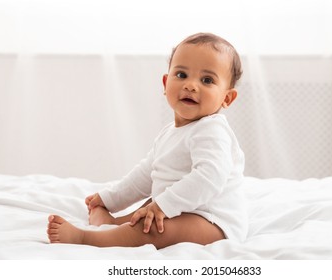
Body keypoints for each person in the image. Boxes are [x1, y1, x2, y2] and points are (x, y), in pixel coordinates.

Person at [47, 32, 247, 249]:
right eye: (181, 75)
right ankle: (114, 224)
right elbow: (146, 175)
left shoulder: (212, 130)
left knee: (154, 225)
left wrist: (163, 205)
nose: (191, 85)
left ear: (227, 98)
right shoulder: (170, 133)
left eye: (207, 80)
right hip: (181, 208)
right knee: (149, 207)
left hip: (212, 220)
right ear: (165, 82)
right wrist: (110, 199)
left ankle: (87, 238)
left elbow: (209, 178)